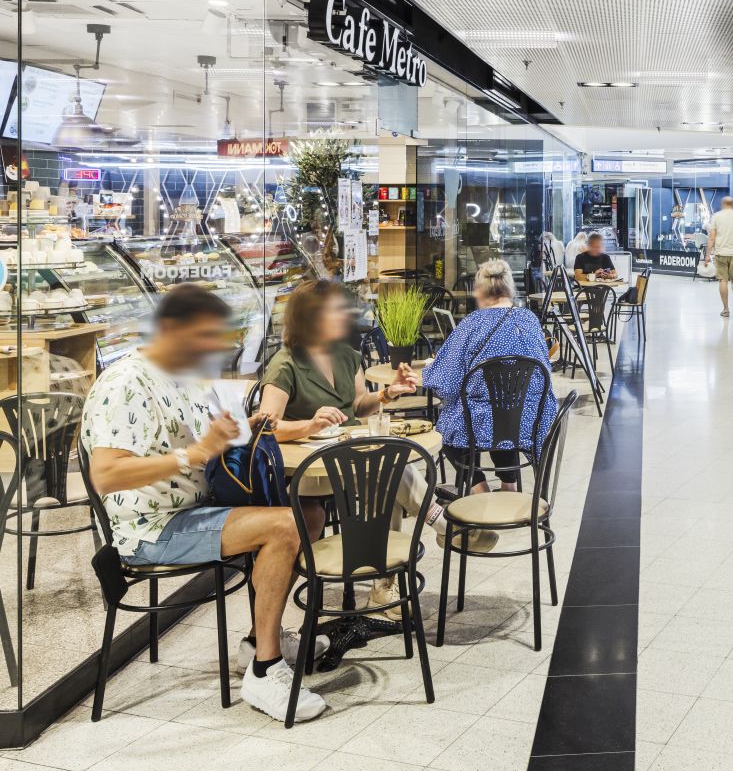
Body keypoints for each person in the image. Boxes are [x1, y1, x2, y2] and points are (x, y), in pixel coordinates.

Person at [81, 284, 329, 722]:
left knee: (309, 515)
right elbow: (106, 474)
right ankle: (265, 669)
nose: (215, 347)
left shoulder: (184, 375)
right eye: (206, 335)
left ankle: (257, 640)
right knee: (285, 525)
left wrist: (284, 427)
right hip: (153, 528)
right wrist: (193, 455)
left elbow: (222, 437)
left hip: (197, 509)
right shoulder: (125, 383)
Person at [256, 279, 441, 617]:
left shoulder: (346, 355)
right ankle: (435, 526)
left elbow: (358, 405)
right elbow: (265, 428)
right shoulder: (285, 364)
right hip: (310, 472)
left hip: (350, 461)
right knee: (388, 468)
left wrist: (387, 393)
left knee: (386, 466)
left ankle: (385, 582)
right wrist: (309, 425)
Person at [424, 259, 558, 500]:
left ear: (480, 291)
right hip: (531, 420)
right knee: (505, 413)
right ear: (510, 288)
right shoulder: (529, 320)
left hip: (483, 422)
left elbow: (447, 384)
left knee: (448, 431)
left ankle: (480, 491)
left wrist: (429, 369)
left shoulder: (472, 324)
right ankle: (509, 487)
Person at [706, 196, 733, 318]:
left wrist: (707, 254)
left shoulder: (716, 217)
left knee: (723, 280)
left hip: (721, 253)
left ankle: (726, 309)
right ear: (732, 204)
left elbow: (711, 238)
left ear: (723, 204)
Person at [572, 232, 618, 331]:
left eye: (599, 247)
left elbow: (615, 274)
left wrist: (609, 275)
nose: (597, 249)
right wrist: (594, 275)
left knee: (599, 299)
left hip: (599, 291)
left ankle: (596, 326)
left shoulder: (605, 258)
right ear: (589, 246)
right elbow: (578, 276)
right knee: (575, 301)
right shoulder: (580, 258)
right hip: (582, 290)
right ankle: (579, 325)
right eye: (595, 247)